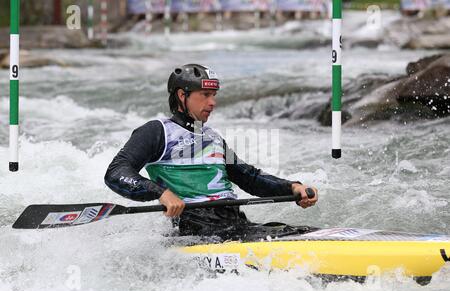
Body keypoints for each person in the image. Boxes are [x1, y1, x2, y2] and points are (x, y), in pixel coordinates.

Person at [104, 64, 319, 241]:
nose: (213, 102)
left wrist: (292, 187)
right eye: (205, 95)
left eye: (214, 95)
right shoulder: (157, 130)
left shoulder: (211, 136)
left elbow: (248, 177)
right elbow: (116, 172)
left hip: (233, 224)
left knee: (308, 234)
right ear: (182, 95)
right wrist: (161, 193)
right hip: (195, 231)